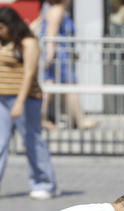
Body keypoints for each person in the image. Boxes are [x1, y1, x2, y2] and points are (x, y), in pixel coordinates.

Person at [0, 7, 57, 201]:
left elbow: (29, 74)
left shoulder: (28, 42)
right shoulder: (1, 43)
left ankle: (44, 183)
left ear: (11, 25)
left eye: (1, 27)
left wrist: (19, 102)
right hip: (0, 97)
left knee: (32, 141)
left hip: (26, 98)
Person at [40, 0, 98, 130]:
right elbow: (51, 33)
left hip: (60, 54)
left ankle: (43, 118)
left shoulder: (51, 9)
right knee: (69, 86)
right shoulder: (57, 10)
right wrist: (50, 55)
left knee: (49, 85)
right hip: (59, 56)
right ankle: (79, 119)